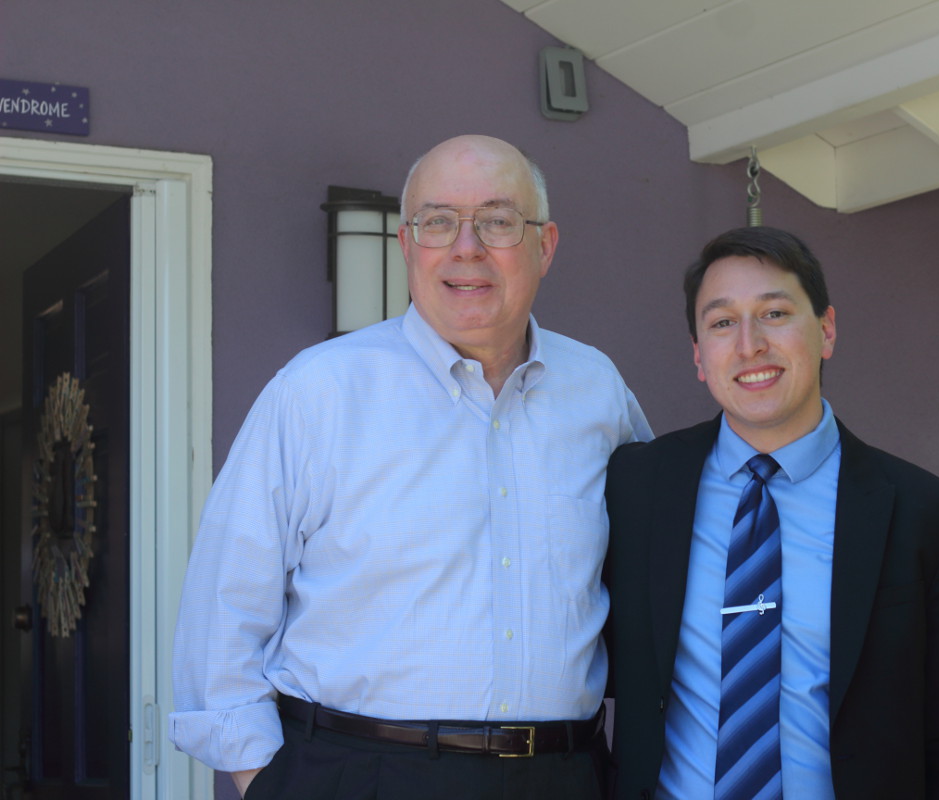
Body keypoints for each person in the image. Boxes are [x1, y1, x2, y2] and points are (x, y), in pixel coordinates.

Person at [169, 135, 652, 800]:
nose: (466, 247)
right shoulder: (319, 392)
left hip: (562, 776)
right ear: (405, 246)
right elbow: (222, 610)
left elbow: (647, 580)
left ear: (546, 245)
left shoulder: (597, 391)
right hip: (358, 774)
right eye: (438, 222)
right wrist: (272, 783)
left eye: (498, 221)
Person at [604, 226, 939, 799]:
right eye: (721, 323)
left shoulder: (931, 518)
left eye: (774, 314)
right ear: (698, 355)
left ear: (827, 331)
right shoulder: (635, 488)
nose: (749, 345)